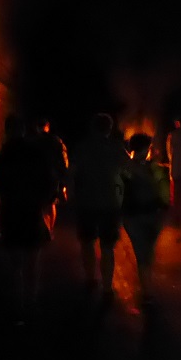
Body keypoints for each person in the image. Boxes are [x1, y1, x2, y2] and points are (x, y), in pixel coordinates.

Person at [0, 114, 57, 322]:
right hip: (32, 212)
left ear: (6, 132)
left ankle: (17, 303)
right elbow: (49, 183)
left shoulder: (0, 158)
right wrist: (43, 200)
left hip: (10, 212)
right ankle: (30, 302)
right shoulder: (37, 156)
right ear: (24, 131)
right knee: (32, 261)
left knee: (15, 262)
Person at [68, 113, 131, 302]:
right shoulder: (116, 148)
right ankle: (107, 287)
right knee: (107, 246)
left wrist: (71, 194)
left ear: (93, 127)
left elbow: (71, 173)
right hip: (111, 202)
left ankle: (90, 279)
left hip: (86, 201)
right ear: (109, 128)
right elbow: (128, 171)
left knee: (87, 242)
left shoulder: (82, 148)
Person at [121, 133, 171, 306]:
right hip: (153, 214)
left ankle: (147, 289)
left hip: (132, 215)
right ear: (147, 149)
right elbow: (164, 192)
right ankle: (147, 289)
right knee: (148, 252)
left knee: (141, 252)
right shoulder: (154, 168)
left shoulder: (125, 168)